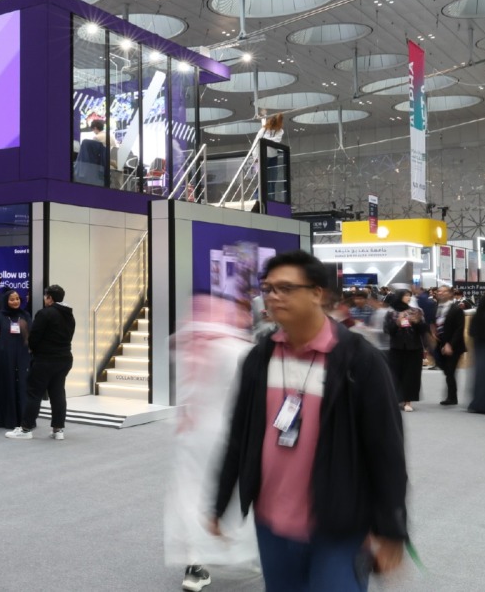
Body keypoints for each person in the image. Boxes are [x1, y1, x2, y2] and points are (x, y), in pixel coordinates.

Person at [210, 250, 408, 591]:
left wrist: (391, 528)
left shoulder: (358, 361)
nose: (272, 297)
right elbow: (240, 434)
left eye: (285, 288)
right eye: (268, 288)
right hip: (271, 522)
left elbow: (386, 449)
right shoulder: (260, 357)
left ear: (317, 293)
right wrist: (219, 500)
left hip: (338, 523)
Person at [164, 296, 259, 592]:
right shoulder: (238, 349)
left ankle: (196, 564)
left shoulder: (188, 345)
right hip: (228, 435)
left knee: (192, 498)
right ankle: (244, 551)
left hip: (191, 437)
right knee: (234, 494)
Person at [7, 285, 76, 440]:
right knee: (58, 393)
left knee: (34, 393)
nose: (45, 299)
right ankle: (58, 430)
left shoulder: (44, 314)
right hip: (64, 359)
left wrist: (31, 345)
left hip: (45, 360)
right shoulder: (69, 315)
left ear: (50, 298)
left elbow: (34, 338)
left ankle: (25, 429)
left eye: (46, 296)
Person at [0, 290, 31, 431]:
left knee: (22, 386)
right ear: (6, 302)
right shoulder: (0, 316)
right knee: (6, 384)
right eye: (12, 299)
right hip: (5, 357)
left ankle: (24, 419)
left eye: (17, 299)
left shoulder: (25, 315)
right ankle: (6, 419)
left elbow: (30, 336)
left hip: (21, 356)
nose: (15, 302)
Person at [384, 290, 426, 412]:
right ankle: (396, 399)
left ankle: (408, 401)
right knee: (395, 374)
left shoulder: (417, 311)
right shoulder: (391, 312)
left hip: (414, 348)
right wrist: (397, 323)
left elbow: (423, 330)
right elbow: (387, 330)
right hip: (396, 347)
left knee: (411, 375)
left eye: (409, 295)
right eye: (405, 295)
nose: (408, 298)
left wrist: (417, 322)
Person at [433, 285, 467, 406]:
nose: (441, 293)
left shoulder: (456, 309)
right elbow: (434, 322)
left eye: (444, 291)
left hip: (454, 345)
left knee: (450, 370)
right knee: (446, 369)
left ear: (450, 294)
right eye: (439, 291)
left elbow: (459, 329)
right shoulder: (437, 307)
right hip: (440, 343)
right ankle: (451, 394)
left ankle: (452, 397)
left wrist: (450, 344)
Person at [75, 119, 111, 187]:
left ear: (95, 128)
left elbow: (92, 154)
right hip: (110, 163)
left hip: (100, 167)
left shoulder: (96, 138)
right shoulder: (110, 136)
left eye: (92, 129)